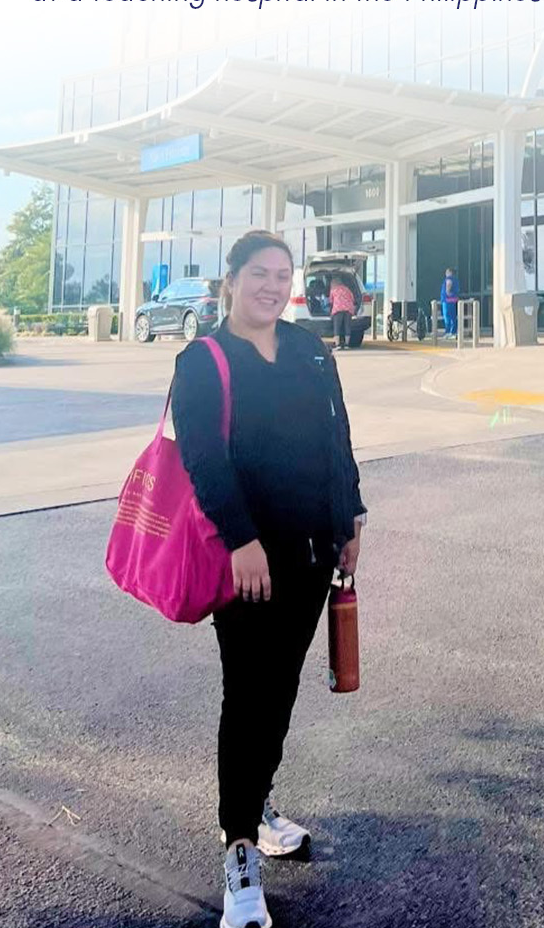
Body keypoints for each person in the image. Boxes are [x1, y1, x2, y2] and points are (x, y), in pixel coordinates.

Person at [171, 230, 366, 928]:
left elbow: (336, 439)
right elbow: (204, 461)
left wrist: (351, 520)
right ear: (229, 281)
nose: (272, 285)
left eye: (283, 275)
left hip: (313, 554)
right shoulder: (203, 360)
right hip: (249, 565)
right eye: (259, 273)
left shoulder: (311, 351)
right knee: (248, 696)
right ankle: (240, 855)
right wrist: (240, 540)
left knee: (280, 690)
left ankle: (256, 803)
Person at [329, 273, 357, 351]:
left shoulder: (333, 290)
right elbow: (353, 299)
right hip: (348, 309)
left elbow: (331, 301)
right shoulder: (347, 289)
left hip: (338, 309)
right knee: (347, 326)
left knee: (337, 327)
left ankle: (337, 344)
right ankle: (347, 344)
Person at [439, 266, 459, 336]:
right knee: (453, 316)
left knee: (447, 316)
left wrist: (447, 292)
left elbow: (448, 285)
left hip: (447, 300)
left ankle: (448, 331)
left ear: (450, 272)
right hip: (453, 300)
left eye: (447, 272)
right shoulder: (455, 279)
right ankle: (453, 331)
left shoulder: (449, 279)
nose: (446, 273)